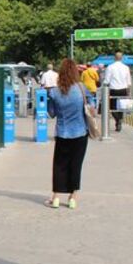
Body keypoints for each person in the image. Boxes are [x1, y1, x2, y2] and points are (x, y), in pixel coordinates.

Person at [46, 59, 89, 210]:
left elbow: (51, 113)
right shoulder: (81, 88)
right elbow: (91, 107)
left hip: (62, 132)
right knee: (76, 165)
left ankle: (56, 197)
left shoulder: (54, 92)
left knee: (59, 165)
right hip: (80, 132)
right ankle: (73, 198)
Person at [104, 52, 132, 132]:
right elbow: (128, 81)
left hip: (113, 89)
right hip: (123, 89)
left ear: (114, 58)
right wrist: (128, 92)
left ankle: (117, 119)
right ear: (122, 58)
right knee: (121, 107)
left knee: (112, 108)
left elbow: (107, 80)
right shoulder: (126, 67)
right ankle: (119, 119)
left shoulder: (110, 67)